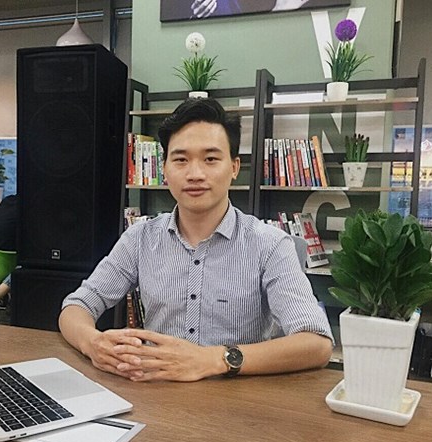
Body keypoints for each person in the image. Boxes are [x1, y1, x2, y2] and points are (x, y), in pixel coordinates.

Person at [59, 98, 333, 382]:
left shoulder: (270, 245)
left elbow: (316, 344)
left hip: (237, 396)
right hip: (156, 391)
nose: (195, 174)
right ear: (165, 168)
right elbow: (76, 307)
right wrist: (93, 343)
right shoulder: (140, 239)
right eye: (180, 159)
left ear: (234, 167)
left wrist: (214, 359)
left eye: (211, 159)